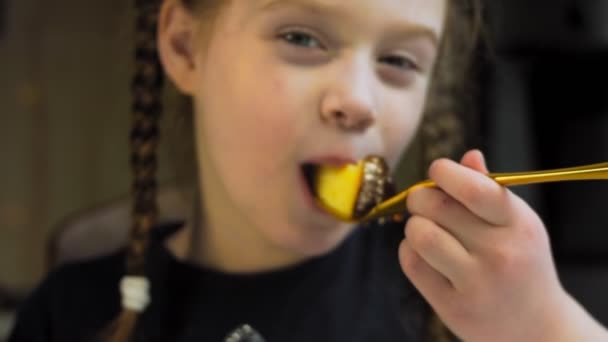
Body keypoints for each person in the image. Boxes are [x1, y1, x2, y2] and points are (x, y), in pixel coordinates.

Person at [8, 0, 608, 341]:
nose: (358, 101)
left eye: (399, 60)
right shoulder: (69, 313)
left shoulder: (458, 298)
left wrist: (540, 325)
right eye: (302, 37)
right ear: (187, 48)